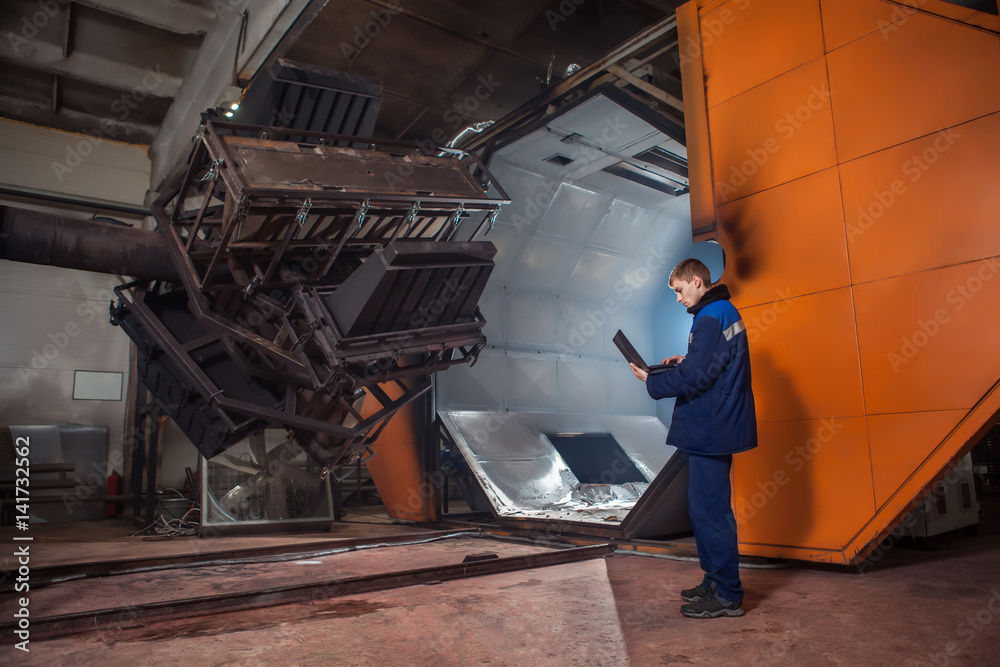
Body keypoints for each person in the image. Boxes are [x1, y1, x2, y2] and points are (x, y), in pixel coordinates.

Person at [629, 258, 757, 619]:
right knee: (706, 510)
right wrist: (684, 362)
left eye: (679, 290)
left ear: (697, 281)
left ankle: (728, 594)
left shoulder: (710, 316)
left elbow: (698, 378)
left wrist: (652, 380)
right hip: (714, 426)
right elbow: (713, 364)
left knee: (711, 512)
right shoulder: (720, 311)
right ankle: (715, 581)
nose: (678, 298)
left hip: (711, 428)